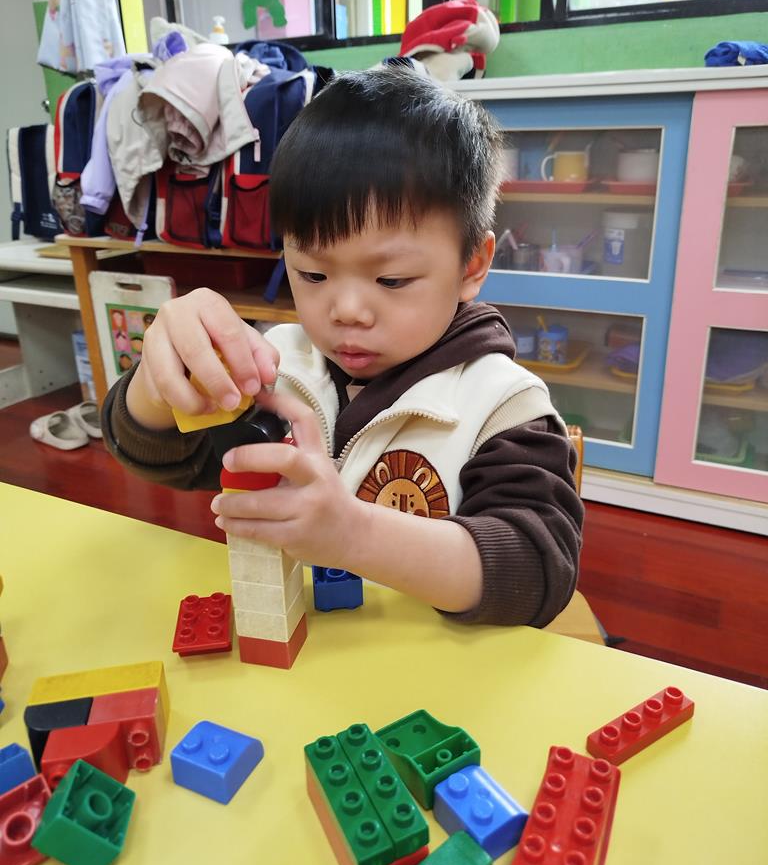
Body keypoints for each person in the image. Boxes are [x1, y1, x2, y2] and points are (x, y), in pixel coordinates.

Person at [102, 69, 583, 626]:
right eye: (312, 273)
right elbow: (164, 456)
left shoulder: (500, 404)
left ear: (471, 265)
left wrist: (353, 534)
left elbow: (538, 571)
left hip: (428, 667)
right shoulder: (278, 366)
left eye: (391, 279)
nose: (346, 311)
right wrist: (159, 385)